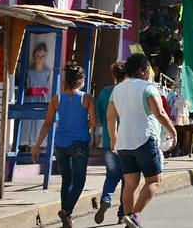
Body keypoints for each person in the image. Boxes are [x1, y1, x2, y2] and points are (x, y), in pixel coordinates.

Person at [108, 53, 177, 228]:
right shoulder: (147, 88)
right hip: (144, 139)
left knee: (130, 185)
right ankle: (134, 215)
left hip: (124, 143)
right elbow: (160, 113)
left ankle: (128, 221)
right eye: (148, 69)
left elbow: (110, 118)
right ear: (142, 70)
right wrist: (173, 132)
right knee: (154, 180)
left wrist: (113, 138)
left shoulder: (117, 89)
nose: (149, 73)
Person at [31, 61, 98, 228]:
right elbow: (94, 122)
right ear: (81, 82)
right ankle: (67, 211)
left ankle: (67, 218)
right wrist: (85, 122)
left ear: (65, 81)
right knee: (79, 181)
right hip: (79, 145)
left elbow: (47, 123)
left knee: (66, 181)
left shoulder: (57, 99)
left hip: (60, 145)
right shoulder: (86, 98)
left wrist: (37, 145)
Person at [95, 60, 127, 225]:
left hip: (109, 142)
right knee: (126, 179)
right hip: (127, 143)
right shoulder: (129, 92)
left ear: (113, 75)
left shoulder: (105, 92)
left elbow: (100, 115)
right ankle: (122, 213)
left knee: (111, 175)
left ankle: (105, 200)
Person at [22, 41, 51, 149]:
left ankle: (37, 145)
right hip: (30, 99)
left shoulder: (47, 71)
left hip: (41, 100)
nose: (40, 58)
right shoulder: (29, 71)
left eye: (42, 56)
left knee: (39, 122)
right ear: (34, 56)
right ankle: (27, 145)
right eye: (38, 56)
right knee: (28, 121)